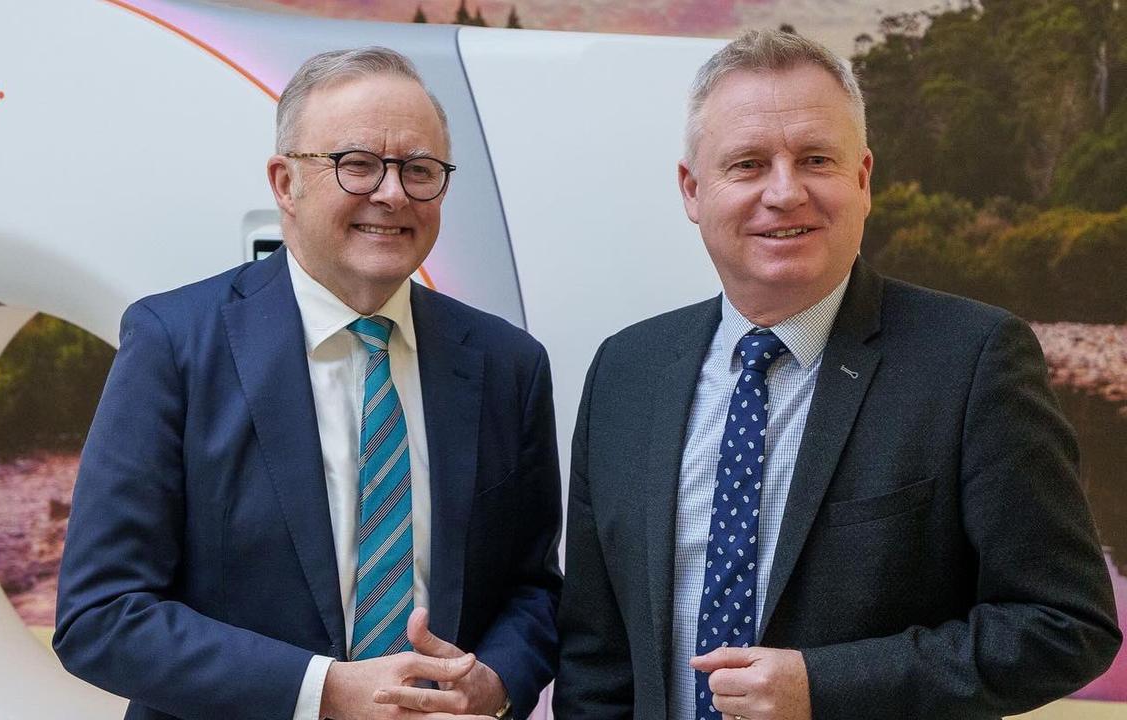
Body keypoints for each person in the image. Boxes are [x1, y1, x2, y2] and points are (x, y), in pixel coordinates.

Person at [554, 29, 1121, 720]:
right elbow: (595, 653)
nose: (785, 192)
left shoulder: (973, 360)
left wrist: (826, 687)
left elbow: (1065, 625)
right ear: (693, 190)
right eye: (749, 164)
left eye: (816, 159)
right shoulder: (626, 372)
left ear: (862, 179)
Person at [54, 47, 561, 720]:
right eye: (356, 164)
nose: (392, 193)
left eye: (419, 170)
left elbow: (533, 591)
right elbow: (100, 615)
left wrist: (493, 684)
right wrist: (323, 692)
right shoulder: (174, 344)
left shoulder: (507, 364)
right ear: (285, 182)